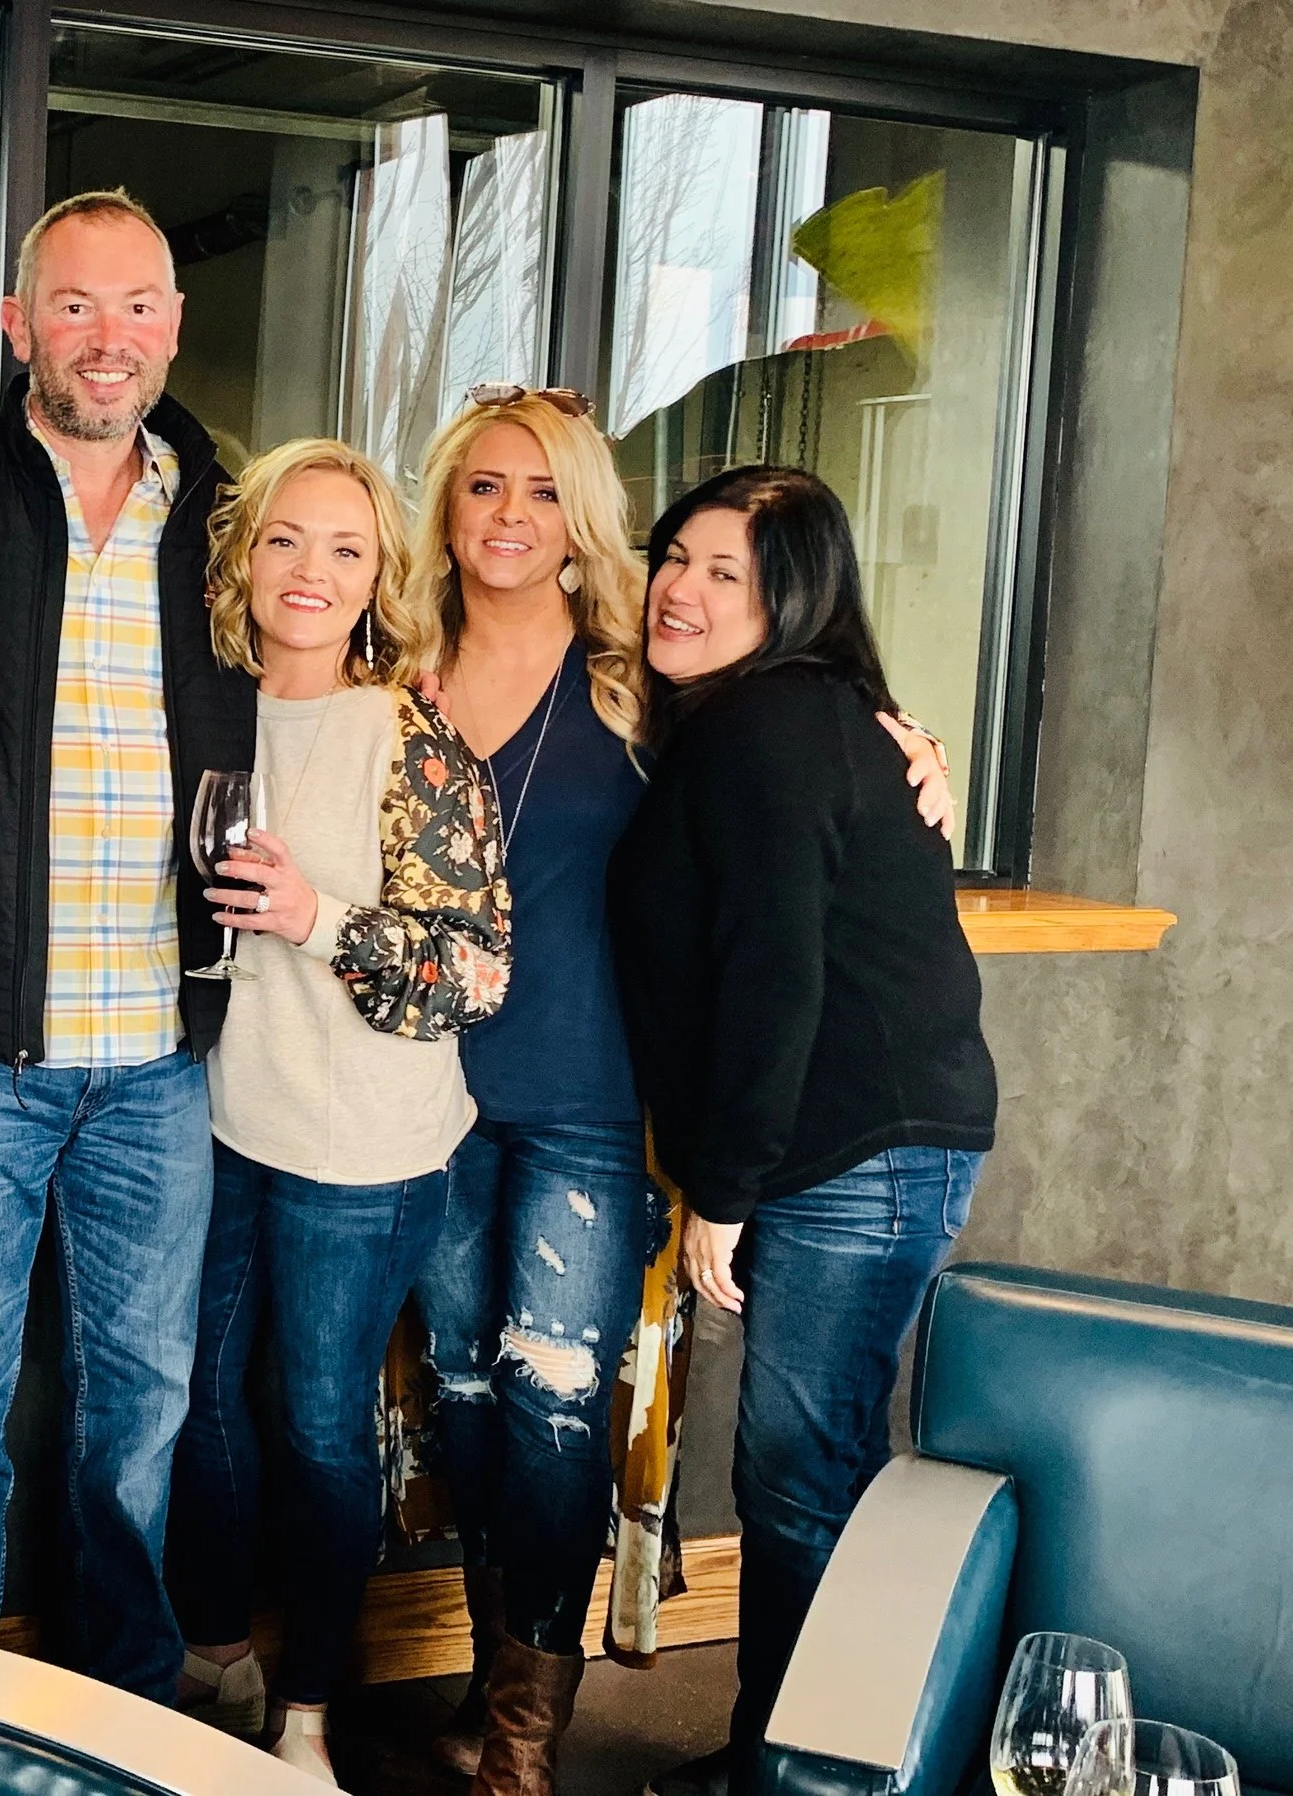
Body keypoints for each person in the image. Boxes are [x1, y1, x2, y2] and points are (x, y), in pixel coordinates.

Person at [404, 390, 958, 1796]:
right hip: (421, 1107)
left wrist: (911, 751)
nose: (508, 517)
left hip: (593, 1105)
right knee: (466, 1403)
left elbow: (804, 809)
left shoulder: (648, 686)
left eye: (541, 490)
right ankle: (500, 1696)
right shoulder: (388, 660)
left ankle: (538, 1740)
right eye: (481, 488)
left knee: (555, 1405)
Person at [0, 188, 256, 1699]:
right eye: (80, 307)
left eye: (142, 305)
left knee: (139, 1413)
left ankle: (124, 1704)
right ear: (20, 326)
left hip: (161, 1059)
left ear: (175, 322)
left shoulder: (222, 508)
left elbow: (379, 621)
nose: (112, 339)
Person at [610, 466, 996, 1796]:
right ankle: (800, 1756)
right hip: (853, 1147)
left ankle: (814, 1773)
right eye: (678, 556)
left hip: (854, 1154)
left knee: (798, 1478)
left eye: (731, 572)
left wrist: (724, 1188)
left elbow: (780, 967)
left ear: (797, 597)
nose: (685, 588)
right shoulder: (780, 720)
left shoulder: (771, 727)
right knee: (807, 1468)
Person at [163, 439, 512, 1786]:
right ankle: (215, 1656)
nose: (311, 574)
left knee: (316, 1422)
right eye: (286, 542)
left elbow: (476, 972)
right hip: (210, 1120)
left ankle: (309, 1713)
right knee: (197, 1399)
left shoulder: (410, 738)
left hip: (360, 1149)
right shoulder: (204, 711)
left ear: (381, 579)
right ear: (242, 560)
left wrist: (319, 921)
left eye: (345, 549)